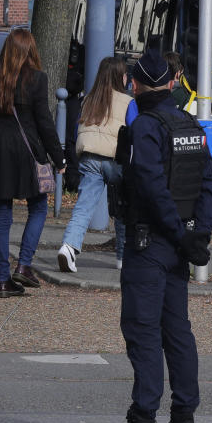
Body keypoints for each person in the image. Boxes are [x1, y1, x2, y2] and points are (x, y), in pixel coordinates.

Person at [90, 48, 212, 423]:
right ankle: (183, 420)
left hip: (151, 243)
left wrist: (179, 233)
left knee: (143, 331)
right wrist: (198, 235)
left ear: (135, 84)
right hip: (179, 245)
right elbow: (209, 185)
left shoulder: (146, 126)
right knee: (177, 330)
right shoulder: (189, 124)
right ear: (172, 82)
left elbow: (149, 184)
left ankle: (143, 421)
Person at [0, 29, 65, 298]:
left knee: (2, 213)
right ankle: (24, 264)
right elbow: (44, 122)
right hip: (28, 151)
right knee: (38, 206)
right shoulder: (36, 78)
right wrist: (58, 157)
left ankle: (3, 279)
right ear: (30, 51)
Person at [57, 57, 132, 273]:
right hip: (116, 159)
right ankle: (122, 257)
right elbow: (134, 129)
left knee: (83, 208)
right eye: (126, 74)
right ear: (121, 77)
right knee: (122, 206)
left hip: (89, 157)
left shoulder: (89, 99)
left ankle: (69, 247)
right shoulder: (128, 102)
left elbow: (76, 130)